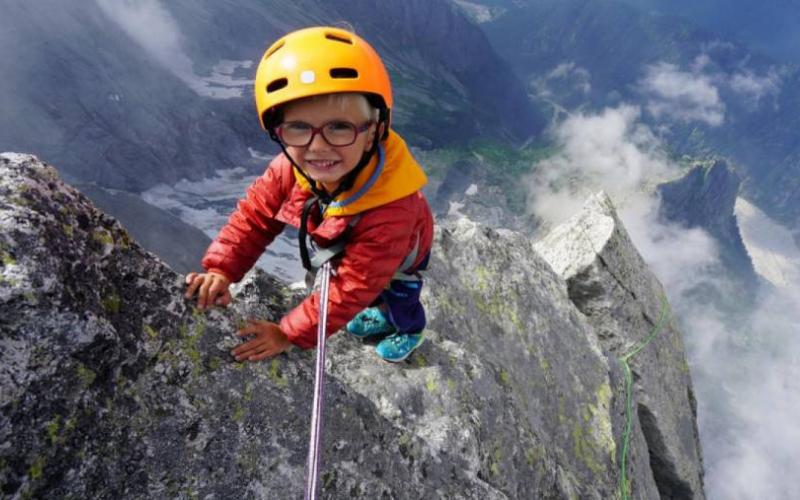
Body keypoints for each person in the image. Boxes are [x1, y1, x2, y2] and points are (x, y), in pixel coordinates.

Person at [184, 26, 433, 363]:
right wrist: (221, 270)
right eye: (299, 127)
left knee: (399, 291)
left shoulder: (392, 211)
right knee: (374, 292)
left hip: (402, 250)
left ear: (375, 129)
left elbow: (352, 286)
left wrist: (288, 333)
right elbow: (254, 218)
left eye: (340, 127)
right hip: (355, 238)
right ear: (279, 132)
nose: (318, 146)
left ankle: (408, 328)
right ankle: (383, 313)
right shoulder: (291, 168)